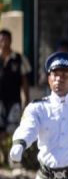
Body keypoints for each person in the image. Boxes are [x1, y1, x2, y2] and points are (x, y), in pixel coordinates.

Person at [0, 29, 31, 165]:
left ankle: (11, 160)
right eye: (1, 40)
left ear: (11, 41)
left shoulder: (18, 59)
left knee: (12, 131)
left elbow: (24, 81)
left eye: (6, 39)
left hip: (14, 102)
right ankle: (2, 159)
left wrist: (26, 100)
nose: (4, 42)